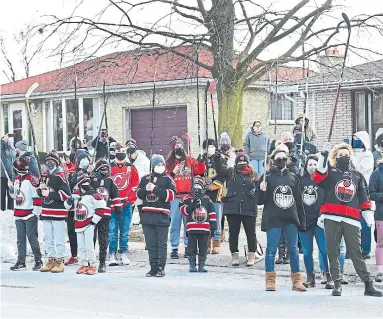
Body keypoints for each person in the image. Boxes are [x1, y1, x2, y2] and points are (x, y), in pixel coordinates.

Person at [313, 142, 381, 297]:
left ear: (351, 157)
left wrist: (368, 216)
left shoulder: (357, 175)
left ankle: (368, 285)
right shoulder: (329, 173)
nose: (343, 157)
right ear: (335, 157)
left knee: (357, 252)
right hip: (331, 216)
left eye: (346, 155)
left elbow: (364, 198)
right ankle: (337, 283)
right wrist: (323, 154)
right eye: (340, 155)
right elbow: (318, 176)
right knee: (333, 251)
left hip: (351, 219)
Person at [258, 147, 307, 292]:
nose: (281, 161)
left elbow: (299, 201)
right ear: (273, 160)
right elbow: (260, 201)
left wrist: (302, 221)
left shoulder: (293, 176)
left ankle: (297, 280)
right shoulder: (267, 176)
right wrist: (262, 190)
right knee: (271, 250)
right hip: (273, 218)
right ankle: (270, 280)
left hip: (290, 218)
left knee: (293, 250)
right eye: (278, 158)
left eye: (284, 158)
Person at [215, 150, 259, 267]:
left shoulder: (253, 175)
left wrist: (256, 192)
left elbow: (260, 189)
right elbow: (219, 170)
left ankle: (251, 256)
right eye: (240, 161)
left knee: (251, 233)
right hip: (233, 207)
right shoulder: (231, 172)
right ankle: (234, 255)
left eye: (244, 161)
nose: (242, 163)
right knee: (233, 233)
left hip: (249, 208)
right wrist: (217, 158)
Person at [166, 136, 205, 259]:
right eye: (176, 147)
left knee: (188, 223)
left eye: (180, 146)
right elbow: (167, 179)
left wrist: (202, 161)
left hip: (188, 196)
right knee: (175, 223)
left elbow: (199, 171)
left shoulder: (190, 160)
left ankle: (189, 246)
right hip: (175, 197)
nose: (179, 149)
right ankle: (174, 247)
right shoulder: (169, 164)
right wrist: (174, 172)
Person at [137, 155, 176, 277]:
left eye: (161, 165)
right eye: (157, 165)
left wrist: (156, 188)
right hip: (147, 215)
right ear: (153, 166)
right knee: (151, 243)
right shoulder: (145, 179)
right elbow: (138, 194)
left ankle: (161, 267)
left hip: (161, 215)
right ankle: (153, 267)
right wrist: (145, 189)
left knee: (161, 243)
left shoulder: (168, 179)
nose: (160, 167)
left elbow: (171, 195)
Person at [298, 155, 334, 289]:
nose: (312, 167)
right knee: (307, 251)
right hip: (305, 221)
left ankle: (328, 275)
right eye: (310, 164)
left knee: (324, 250)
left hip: (320, 221)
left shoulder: (323, 181)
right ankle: (310, 277)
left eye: (315, 164)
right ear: (306, 167)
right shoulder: (301, 181)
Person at [64, 174, 106, 275]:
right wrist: (70, 200)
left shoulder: (93, 195)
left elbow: (101, 208)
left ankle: (92, 264)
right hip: (78, 223)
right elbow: (67, 206)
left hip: (88, 223)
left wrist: (93, 221)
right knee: (81, 246)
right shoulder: (76, 195)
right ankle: (82, 264)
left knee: (89, 245)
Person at [38, 151, 71, 273]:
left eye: (52, 161)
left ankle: (60, 260)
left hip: (58, 212)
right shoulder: (45, 175)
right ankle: (51, 259)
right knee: (48, 238)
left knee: (59, 238)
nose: (49, 163)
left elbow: (66, 194)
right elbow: (41, 193)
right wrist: (40, 190)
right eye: (47, 161)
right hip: (46, 211)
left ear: (57, 162)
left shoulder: (61, 176)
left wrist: (50, 194)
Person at [8, 156, 42, 271]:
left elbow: (37, 197)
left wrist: (35, 213)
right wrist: (11, 189)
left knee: (32, 238)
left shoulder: (32, 180)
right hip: (18, 213)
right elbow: (15, 196)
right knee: (20, 239)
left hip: (29, 214)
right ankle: (21, 261)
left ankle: (38, 260)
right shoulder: (17, 179)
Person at [109, 143, 139, 266]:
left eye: (123, 150)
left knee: (125, 230)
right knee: (112, 230)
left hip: (126, 203)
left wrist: (131, 200)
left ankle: (123, 252)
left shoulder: (131, 168)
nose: (121, 152)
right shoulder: (109, 167)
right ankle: (112, 254)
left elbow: (135, 185)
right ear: (114, 152)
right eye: (118, 150)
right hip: (112, 204)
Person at [90, 158, 122, 273]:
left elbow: (115, 195)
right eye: (102, 169)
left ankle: (102, 262)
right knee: (91, 238)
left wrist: (118, 208)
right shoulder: (91, 179)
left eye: (106, 169)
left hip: (105, 214)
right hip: (92, 214)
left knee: (103, 239)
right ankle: (90, 261)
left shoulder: (110, 181)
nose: (105, 171)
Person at [180, 175, 216, 272]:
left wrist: (213, 226)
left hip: (204, 229)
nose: (197, 188)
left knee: (203, 247)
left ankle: (202, 264)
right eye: (194, 186)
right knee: (191, 247)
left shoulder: (207, 199)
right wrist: (192, 205)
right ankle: (192, 264)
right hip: (191, 229)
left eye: (199, 185)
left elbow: (212, 213)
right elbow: (183, 211)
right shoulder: (186, 198)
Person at [65, 149, 92, 266]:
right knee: (72, 231)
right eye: (82, 159)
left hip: (86, 208)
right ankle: (74, 254)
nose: (85, 161)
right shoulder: (72, 173)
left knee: (87, 232)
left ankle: (89, 256)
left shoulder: (91, 174)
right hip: (73, 207)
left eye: (87, 159)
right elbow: (68, 185)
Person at [351, 131, 375, 259]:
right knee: (352, 220)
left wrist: (352, 157)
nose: (355, 141)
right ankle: (353, 249)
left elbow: (360, 169)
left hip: (363, 191)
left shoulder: (368, 155)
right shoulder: (351, 153)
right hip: (350, 190)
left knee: (365, 221)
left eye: (357, 139)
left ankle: (365, 250)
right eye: (353, 139)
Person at [202, 138, 226, 254]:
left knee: (216, 219)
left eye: (212, 146)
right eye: (208, 146)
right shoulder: (201, 159)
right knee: (205, 218)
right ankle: (207, 242)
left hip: (216, 193)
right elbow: (197, 173)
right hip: (204, 193)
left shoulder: (220, 159)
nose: (210, 148)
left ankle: (216, 241)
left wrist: (212, 186)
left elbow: (223, 175)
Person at [126, 138, 150, 213]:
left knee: (142, 210)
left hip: (141, 189)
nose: (131, 156)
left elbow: (148, 174)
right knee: (129, 211)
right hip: (129, 191)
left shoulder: (144, 161)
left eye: (132, 154)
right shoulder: (126, 160)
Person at [219, 132, 235, 242]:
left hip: (231, 183)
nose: (225, 145)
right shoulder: (218, 155)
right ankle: (220, 232)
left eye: (227, 142)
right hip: (221, 184)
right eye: (223, 143)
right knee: (220, 211)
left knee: (229, 211)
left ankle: (231, 233)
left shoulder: (233, 155)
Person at [369, 157, 383, 282]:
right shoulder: (376, 173)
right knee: (381, 242)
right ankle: (380, 271)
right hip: (381, 214)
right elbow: (372, 193)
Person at [1, 134, 15, 211]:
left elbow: (14, 156)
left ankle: (10, 209)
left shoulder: (10, 149)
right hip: (2, 175)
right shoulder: (1, 148)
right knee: (2, 194)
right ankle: (2, 209)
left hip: (11, 174)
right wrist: (3, 141)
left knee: (11, 193)